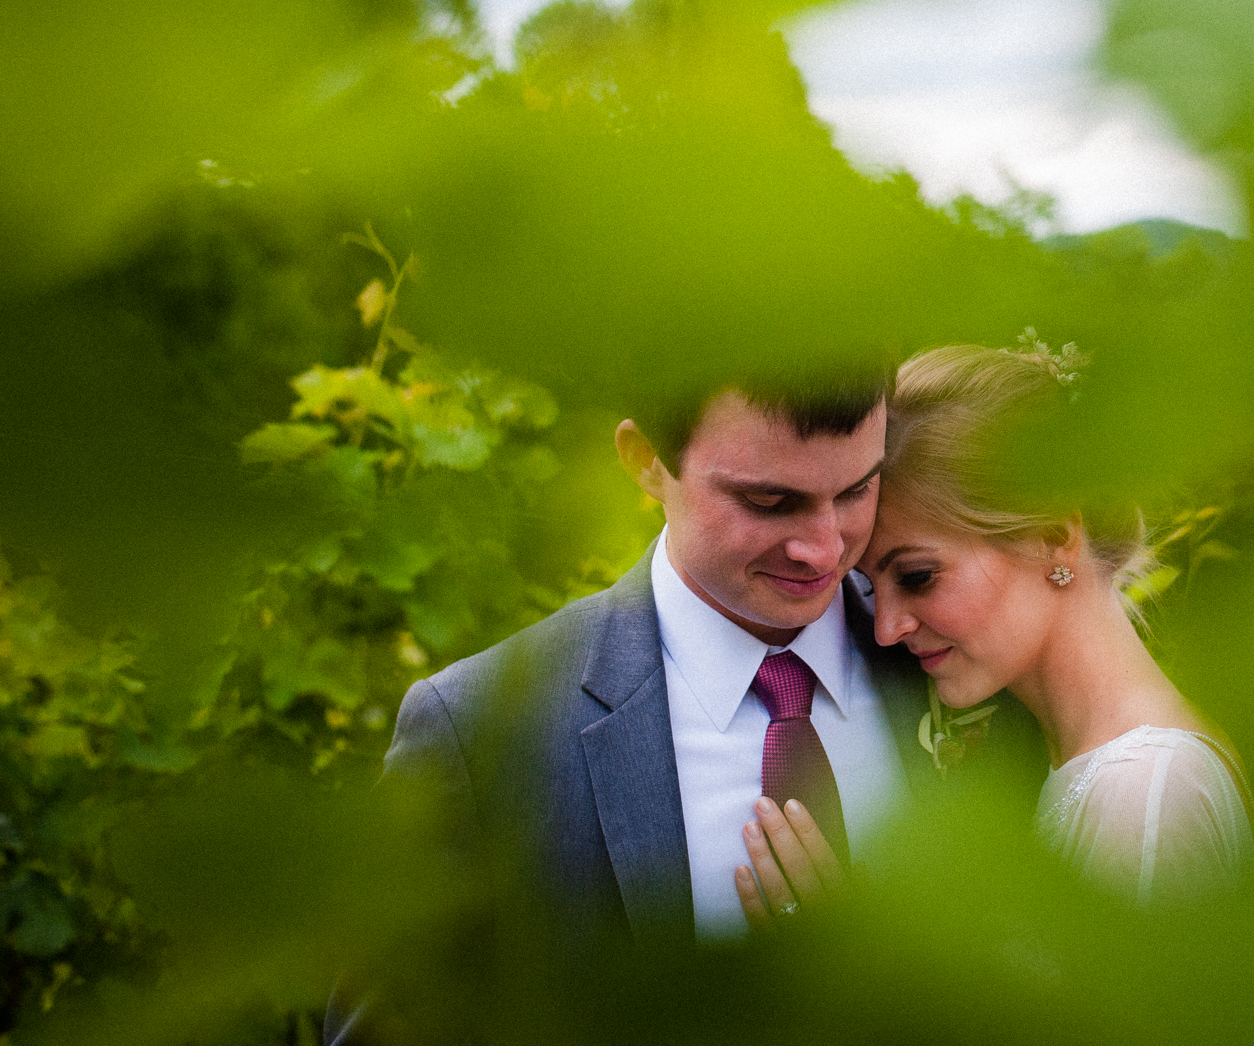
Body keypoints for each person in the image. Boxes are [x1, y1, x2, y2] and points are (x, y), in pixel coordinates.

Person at [326, 357, 1035, 1042]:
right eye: (769, 501)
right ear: (645, 459)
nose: (823, 549)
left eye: (856, 490)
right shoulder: (477, 729)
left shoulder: (970, 668)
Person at [740, 343, 1254, 916]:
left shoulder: (1144, 795)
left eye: (917, 576)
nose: (885, 629)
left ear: (1053, 536)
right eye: (868, 586)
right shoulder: (1063, 760)